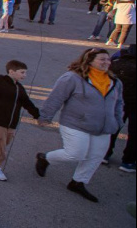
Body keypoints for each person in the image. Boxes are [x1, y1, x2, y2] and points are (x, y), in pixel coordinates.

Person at [36, 48, 125, 202]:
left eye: (108, 59)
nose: (106, 62)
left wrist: (118, 122)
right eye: (102, 59)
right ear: (89, 60)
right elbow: (56, 97)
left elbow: (119, 104)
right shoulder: (73, 78)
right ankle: (45, 158)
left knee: (95, 157)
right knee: (75, 153)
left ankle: (78, 182)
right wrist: (45, 116)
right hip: (75, 123)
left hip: (104, 127)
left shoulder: (115, 81)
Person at [0, 58, 40, 181]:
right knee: (0, 144)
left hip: (11, 122)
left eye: (25, 72)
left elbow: (27, 103)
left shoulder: (19, 88)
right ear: (11, 71)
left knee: (5, 141)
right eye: (22, 72)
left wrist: (37, 115)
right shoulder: (0, 81)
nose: (25, 75)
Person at [105, 45, 136, 172]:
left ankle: (105, 153)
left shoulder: (118, 57)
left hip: (118, 99)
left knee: (114, 126)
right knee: (134, 133)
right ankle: (128, 162)